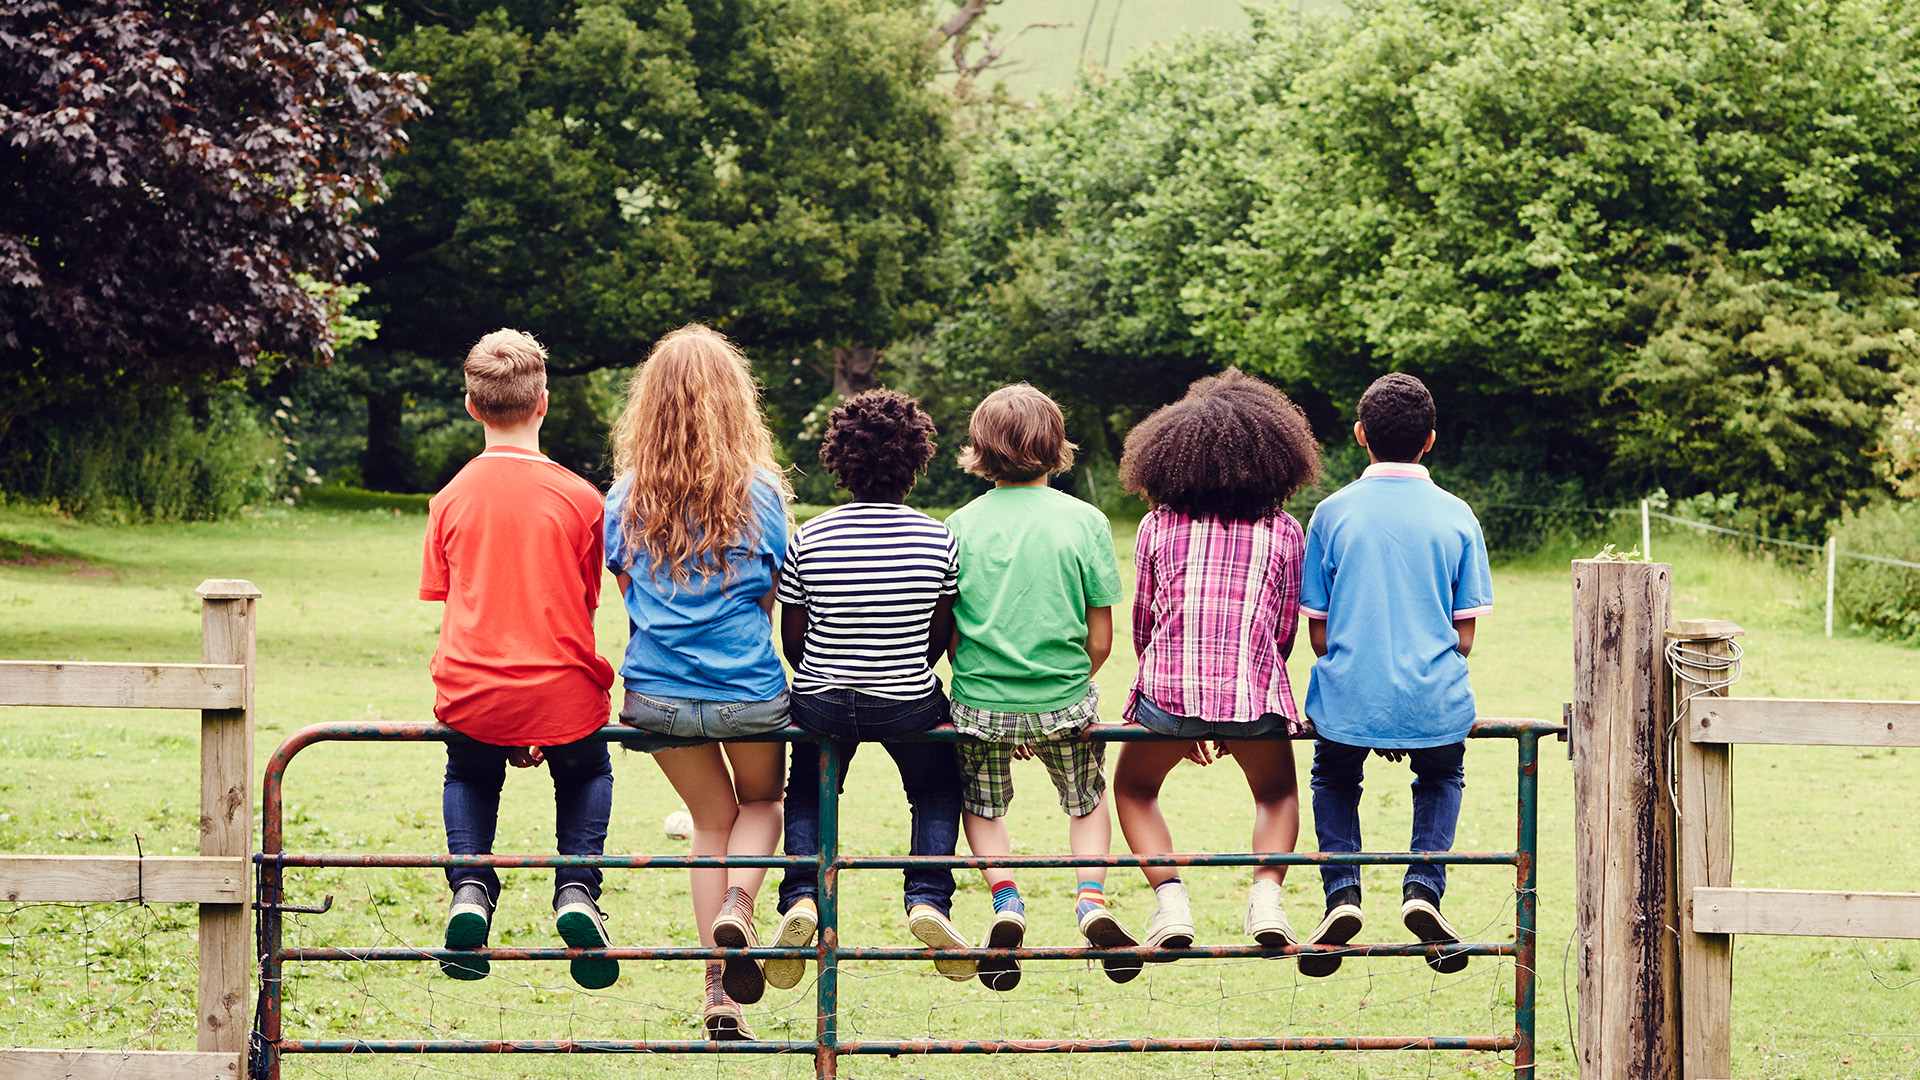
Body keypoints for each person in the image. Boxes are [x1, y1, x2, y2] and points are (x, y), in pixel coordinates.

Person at [604, 324, 793, 1038]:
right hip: (747, 688)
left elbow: (627, 596)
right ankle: (739, 909)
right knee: (763, 805)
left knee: (709, 823)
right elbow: (773, 596)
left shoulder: (622, 498)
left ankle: (717, 990)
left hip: (655, 696)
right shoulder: (764, 496)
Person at [418, 328, 619, 990]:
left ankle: (471, 887)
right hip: (560, 687)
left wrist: (508, 724)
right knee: (587, 770)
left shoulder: (448, 500)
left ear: (472, 406)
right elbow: (585, 600)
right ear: (544, 403)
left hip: (473, 689)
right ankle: (576, 889)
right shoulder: (583, 500)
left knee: (468, 774)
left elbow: (449, 595)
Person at [766, 389, 974, 992]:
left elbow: (794, 632)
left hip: (822, 696)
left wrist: (824, 673)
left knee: (805, 791)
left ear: (839, 460)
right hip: (908, 694)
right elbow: (941, 628)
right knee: (936, 787)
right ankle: (929, 899)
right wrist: (905, 664)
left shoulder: (811, 536)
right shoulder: (939, 540)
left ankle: (802, 897)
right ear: (917, 462)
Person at [1110, 370, 1321, 959]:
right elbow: (1282, 632)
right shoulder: (1284, 531)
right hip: (1253, 696)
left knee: (1133, 788)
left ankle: (1171, 901)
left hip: (1167, 695)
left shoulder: (1157, 525)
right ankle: (1266, 899)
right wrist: (1236, 701)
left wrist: (1190, 706)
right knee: (1277, 793)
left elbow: (1144, 622)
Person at [1297, 372, 1494, 978]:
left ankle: (1342, 895)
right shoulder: (1459, 516)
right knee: (1441, 775)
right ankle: (1423, 889)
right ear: (1430, 440)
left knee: (1333, 775)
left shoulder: (1330, 514)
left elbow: (1319, 633)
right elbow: (1463, 637)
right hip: (1433, 698)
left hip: (1349, 696)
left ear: (1360, 435)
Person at [945, 383, 1137, 991]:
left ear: (979, 449)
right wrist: (1062, 693)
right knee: (1085, 801)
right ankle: (1090, 900)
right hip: (1065, 700)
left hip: (979, 702)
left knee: (981, 805)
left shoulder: (958, 525)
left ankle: (1005, 900)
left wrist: (995, 692)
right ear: (1057, 447)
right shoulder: (1085, 521)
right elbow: (1101, 636)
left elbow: (946, 632)